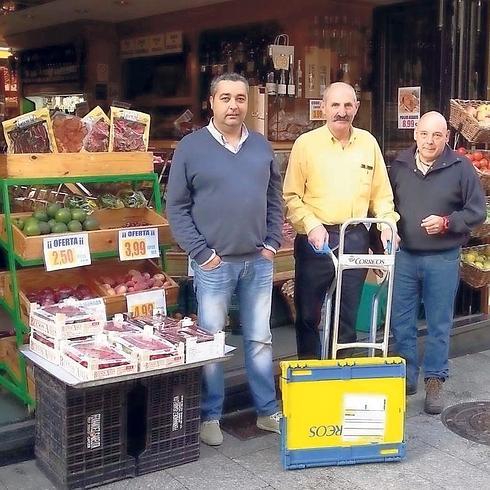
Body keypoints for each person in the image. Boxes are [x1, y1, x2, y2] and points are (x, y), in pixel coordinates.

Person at [166, 73, 283, 446]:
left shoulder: (262, 147)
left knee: (261, 339)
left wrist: (271, 242)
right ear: (212, 103)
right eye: (226, 98)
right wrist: (201, 253)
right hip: (213, 264)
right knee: (211, 341)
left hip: (258, 261)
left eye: (240, 98)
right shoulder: (191, 147)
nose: (234, 105)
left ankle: (266, 411)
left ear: (248, 103)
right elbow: (177, 207)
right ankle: (209, 416)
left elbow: (274, 199)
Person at [283, 82, 399, 360]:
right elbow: (291, 196)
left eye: (348, 105)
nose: (341, 112)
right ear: (322, 108)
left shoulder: (368, 143)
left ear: (356, 108)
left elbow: (381, 195)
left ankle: (342, 376)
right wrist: (310, 224)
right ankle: (309, 375)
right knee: (309, 315)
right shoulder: (306, 145)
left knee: (346, 317)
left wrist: (386, 224)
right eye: (335, 105)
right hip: (315, 238)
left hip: (355, 236)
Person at [389, 111, 486, 415]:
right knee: (401, 321)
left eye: (437, 135)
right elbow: (384, 204)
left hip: (443, 257)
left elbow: (477, 211)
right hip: (405, 256)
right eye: (424, 134)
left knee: (438, 323)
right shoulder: (399, 165)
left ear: (447, 138)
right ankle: (406, 375)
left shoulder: (461, 167)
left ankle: (434, 380)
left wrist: (447, 222)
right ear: (414, 134)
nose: (429, 141)